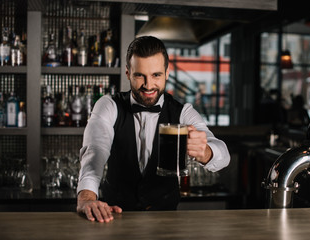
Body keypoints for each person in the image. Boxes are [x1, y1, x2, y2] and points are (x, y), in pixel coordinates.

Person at [76, 36, 230, 222]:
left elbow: (223, 154)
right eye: (140, 75)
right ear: (127, 73)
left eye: (156, 75)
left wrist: (205, 151)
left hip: (166, 221)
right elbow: (95, 153)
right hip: (114, 217)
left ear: (167, 73)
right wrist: (86, 199)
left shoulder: (183, 112)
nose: (148, 85)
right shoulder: (108, 105)